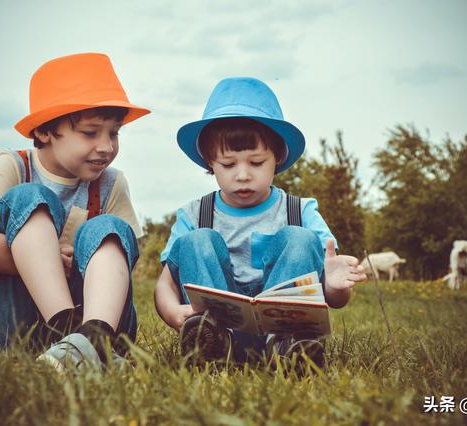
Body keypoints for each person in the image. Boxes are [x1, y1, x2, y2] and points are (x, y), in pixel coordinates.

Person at [153, 77, 366, 366]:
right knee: (197, 241)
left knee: (300, 238)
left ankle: (289, 350)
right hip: (218, 328)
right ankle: (211, 346)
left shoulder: (300, 211)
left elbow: (334, 298)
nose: (242, 175)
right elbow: (165, 284)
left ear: (277, 157)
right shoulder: (194, 214)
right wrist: (171, 312)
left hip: (284, 330)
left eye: (256, 163)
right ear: (209, 161)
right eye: (228, 165)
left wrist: (337, 287)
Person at [0, 53, 150, 370]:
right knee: (29, 197)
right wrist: (43, 259)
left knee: (108, 228)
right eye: (91, 133)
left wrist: (83, 261)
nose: (106, 146)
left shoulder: (112, 183)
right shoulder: (15, 166)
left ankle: (94, 338)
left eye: (114, 133)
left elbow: (125, 256)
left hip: (96, 315)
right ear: (46, 131)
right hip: (13, 327)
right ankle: (70, 335)